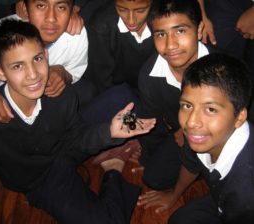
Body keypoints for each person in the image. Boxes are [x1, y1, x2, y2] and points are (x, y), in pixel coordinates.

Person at [0, 19, 156, 223]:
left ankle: (123, 143)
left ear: (46, 56)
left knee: (125, 96)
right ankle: (113, 168)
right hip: (41, 179)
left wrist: (110, 132)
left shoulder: (60, 94)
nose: (33, 75)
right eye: (17, 66)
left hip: (65, 146)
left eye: (37, 59)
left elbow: (76, 137)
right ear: (0, 72)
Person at [139, 53, 254, 223]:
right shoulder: (202, 136)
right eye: (187, 105)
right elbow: (190, 163)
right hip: (220, 199)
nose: (191, 122)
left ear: (239, 117)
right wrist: (174, 195)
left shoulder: (245, 193)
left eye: (211, 109)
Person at [0, 0, 89, 124]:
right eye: (41, 6)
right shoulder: (0, 37)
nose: (51, 18)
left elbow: (74, 71)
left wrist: (63, 73)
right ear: (24, 8)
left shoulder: (75, 35)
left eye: (61, 7)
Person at [135, 0, 214, 193]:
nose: (170, 45)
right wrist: (148, 156)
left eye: (180, 31)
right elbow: (151, 120)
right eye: (161, 34)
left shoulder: (221, 71)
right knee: (153, 177)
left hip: (217, 134)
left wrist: (188, 130)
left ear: (200, 28)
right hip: (178, 132)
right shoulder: (149, 76)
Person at [80, 0, 154, 123]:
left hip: (152, 88)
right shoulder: (101, 25)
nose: (131, 20)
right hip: (117, 90)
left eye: (140, 10)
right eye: (122, 9)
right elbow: (102, 79)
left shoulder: (164, 19)